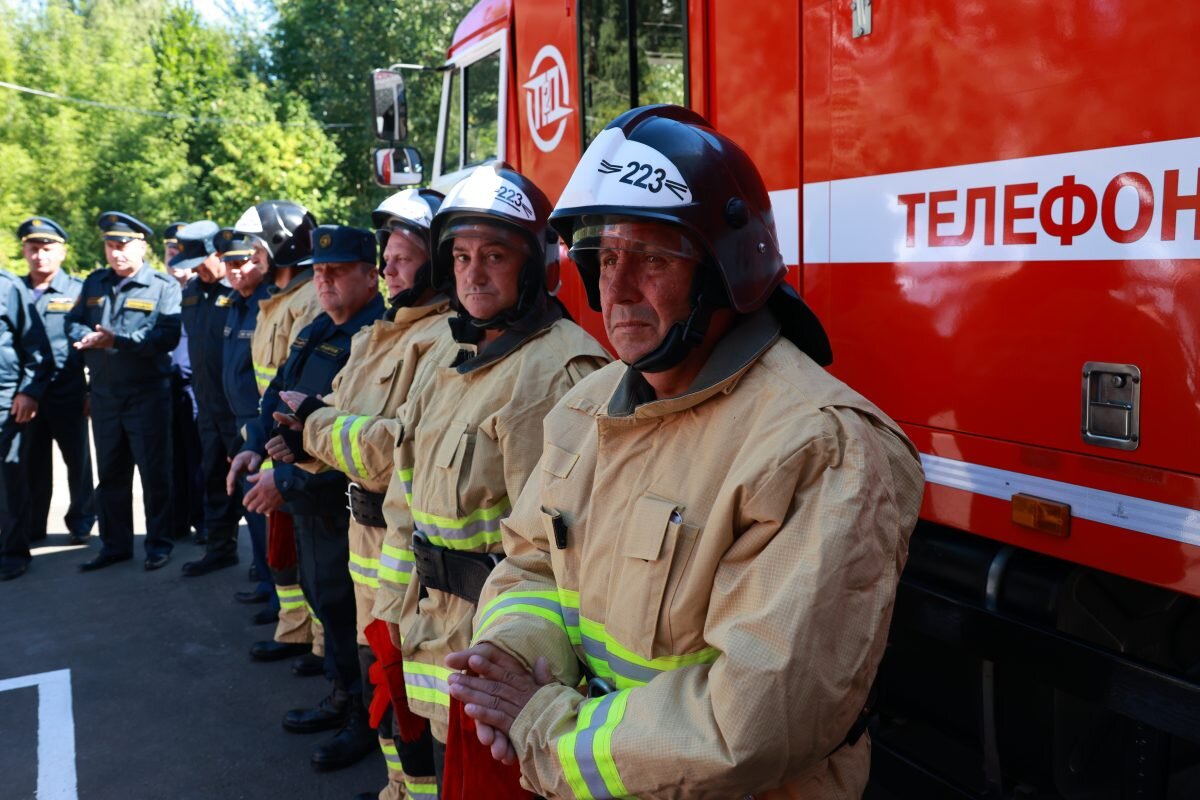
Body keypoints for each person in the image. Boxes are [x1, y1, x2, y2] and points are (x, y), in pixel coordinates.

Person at [444, 106, 926, 800]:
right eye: (606, 258)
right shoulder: (587, 408)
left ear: (726, 270)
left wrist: (544, 725)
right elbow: (530, 563)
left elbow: (752, 723)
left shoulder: (820, 447)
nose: (616, 287)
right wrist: (510, 654)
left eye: (653, 258)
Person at [373, 164, 609, 795]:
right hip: (428, 633)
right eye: (461, 256)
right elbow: (404, 494)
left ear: (533, 266)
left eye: (495, 256)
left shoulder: (560, 372)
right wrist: (388, 617)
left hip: (496, 655)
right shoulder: (449, 357)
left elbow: (559, 552)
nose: (473, 274)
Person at [266, 189, 450, 798]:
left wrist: (314, 430)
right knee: (375, 662)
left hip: (402, 540)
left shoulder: (442, 337)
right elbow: (332, 409)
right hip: (360, 527)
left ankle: (406, 778)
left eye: (399, 259)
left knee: (402, 678)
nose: (389, 269)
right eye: (387, 259)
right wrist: (303, 439)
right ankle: (395, 780)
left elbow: (388, 448)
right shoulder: (385, 333)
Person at [227, 225, 386, 772]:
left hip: (344, 504)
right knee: (325, 602)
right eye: (319, 272)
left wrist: (286, 480)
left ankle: (365, 721)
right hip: (306, 501)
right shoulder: (318, 326)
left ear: (372, 275)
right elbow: (278, 392)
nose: (324, 281)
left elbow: (348, 437)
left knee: (351, 614)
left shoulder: (375, 337)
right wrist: (253, 449)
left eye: (337, 271)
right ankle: (342, 697)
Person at [236, 200, 326, 669]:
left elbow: (297, 384)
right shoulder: (277, 300)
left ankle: (318, 642)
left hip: (292, 445)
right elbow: (269, 385)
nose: (253, 256)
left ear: (280, 244)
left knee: (307, 553)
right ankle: (296, 630)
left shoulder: (309, 299)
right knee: (283, 547)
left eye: (258, 246)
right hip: (272, 440)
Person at [67, 211, 182, 572]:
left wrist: (117, 340)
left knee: (153, 473)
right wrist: (81, 338)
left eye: (123, 245)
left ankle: (159, 544)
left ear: (142, 246)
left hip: (147, 394)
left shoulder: (163, 286)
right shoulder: (95, 283)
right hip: (104, 396)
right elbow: (72, 321)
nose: (116, 253)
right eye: (110, 246)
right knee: (111, 474)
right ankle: (114, 545)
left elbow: (166, 337)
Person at [171, 221, 254, 579]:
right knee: (214, 481)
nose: (198, 269)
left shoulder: (239, 291)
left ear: (218, 254)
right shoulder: (191, 292)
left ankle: (265, 566)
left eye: (203, 261)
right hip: (207, 407)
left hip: (238, 410)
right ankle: (220, 549)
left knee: (251, 488)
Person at [17, 216, 95, 547]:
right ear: (24, 252)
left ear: (62, 252)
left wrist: (92, 390)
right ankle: (34, 525)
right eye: (34, 249)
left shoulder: (79, 291)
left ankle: (80, 522)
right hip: (26, 396)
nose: (40, 256)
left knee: (77, 461)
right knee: (31, 464)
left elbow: (94, 344)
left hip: (69, 392)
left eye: (47, 249)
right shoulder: (14, 290)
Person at [217, 228, 276, 607]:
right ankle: (265, 583)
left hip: (260, 423)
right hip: (235, 421)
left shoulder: (267, 304)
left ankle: (276, 594)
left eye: (242, 262)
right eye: (229, 264)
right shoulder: (234, 303)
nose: (236, 271)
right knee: (252, 514)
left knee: (267, 515)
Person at [0, 240, 53, 581]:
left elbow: (36, 349)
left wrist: (29, 392)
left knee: (8, 484)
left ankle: (12, 553)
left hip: (5, 401)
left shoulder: (8, 287)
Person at [164, 220, 205, 544]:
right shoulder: (161, 288)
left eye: (180, 250)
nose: (174, 256)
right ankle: (177, 520)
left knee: (200, 459)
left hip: (198, 389)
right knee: (172, 458)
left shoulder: (206, 289)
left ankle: (204, 521)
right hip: (166, 387)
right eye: (169, 250)